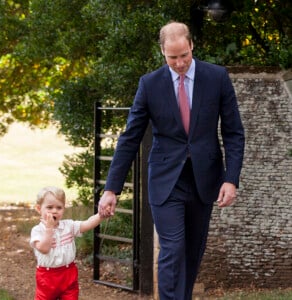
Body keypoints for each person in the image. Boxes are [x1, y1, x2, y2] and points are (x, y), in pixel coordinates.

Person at [98, 21, 245, 299]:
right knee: (173, 249)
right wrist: (111, 189)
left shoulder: (217, 78)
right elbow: (130, 137)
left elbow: (234, 132)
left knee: (192, 252)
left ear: (191, 45)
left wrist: (230, 178)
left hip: (205, 180)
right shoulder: (149, 84)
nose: (179, 63)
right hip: (166, 181)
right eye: (172, 57)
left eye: (183, 56)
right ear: (162, 52)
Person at [30, 186, 108, 300]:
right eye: (49, 207)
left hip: (68, 273)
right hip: (47, 276)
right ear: (39, 208)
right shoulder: (37, 230)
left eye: (59, 207)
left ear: (63, 209)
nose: (54, 211)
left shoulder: (68, 226)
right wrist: (49, 229)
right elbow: (44, 249)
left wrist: (101, 215)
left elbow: (87, 224)